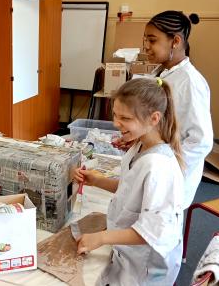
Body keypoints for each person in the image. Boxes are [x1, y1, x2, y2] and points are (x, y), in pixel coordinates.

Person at [74, 77, 185, 285]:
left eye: (125, 118)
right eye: (115, 115)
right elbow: (130, 188)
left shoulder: (159, 167)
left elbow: (152, 232)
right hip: (127, 254)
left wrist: (102, 237)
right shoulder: (139, 145)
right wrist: (96, 181)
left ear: (154, 119)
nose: (116, 124)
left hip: (145, 269)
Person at [116, 10, 214, 209]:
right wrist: (137, 138)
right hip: (152, 164)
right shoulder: (160, 72)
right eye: (145, 40)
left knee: (154, 230)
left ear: (175, 41)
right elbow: (157, 123)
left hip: (167, 176)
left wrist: (164, 166)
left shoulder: (190, 82)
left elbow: (201, 141)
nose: (146, 47)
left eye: (152, 41)